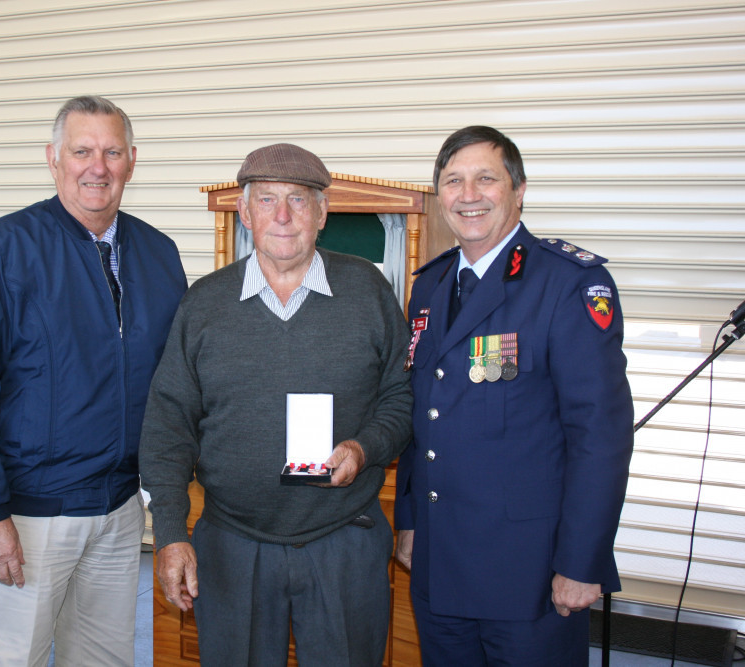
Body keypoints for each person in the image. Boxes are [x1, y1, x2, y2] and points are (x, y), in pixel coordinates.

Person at [0, 95, 187, 666]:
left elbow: (178, 382)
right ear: (53, 159)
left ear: (132, 161)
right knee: (13, 658)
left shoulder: (159, 255)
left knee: (103, 659)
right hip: (28, 516)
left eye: (112, 152)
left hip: (120, 511)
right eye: (82, 151)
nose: (98, 166)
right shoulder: (0, 251)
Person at [140, 143, 413, 667]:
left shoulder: (369, 292)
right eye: (266, 200)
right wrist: (171, 534)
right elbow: (166, 427)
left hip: (344, 540)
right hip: (231, 545)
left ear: (322, 213)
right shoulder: (204, 304)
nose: (282, 216)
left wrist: (365, 446)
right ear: (244, 213)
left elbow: (402, 397)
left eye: (298, 200)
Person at [393, 125, 634, 665]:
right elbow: (421, 411)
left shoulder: (566, 283)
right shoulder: (429, 286)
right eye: (453, 181)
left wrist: (582, 561)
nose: (468, 194)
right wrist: (408, 521)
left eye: (486, 178)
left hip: (529, 577)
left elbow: (600, 434)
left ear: (519, 190)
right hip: (440, 566)